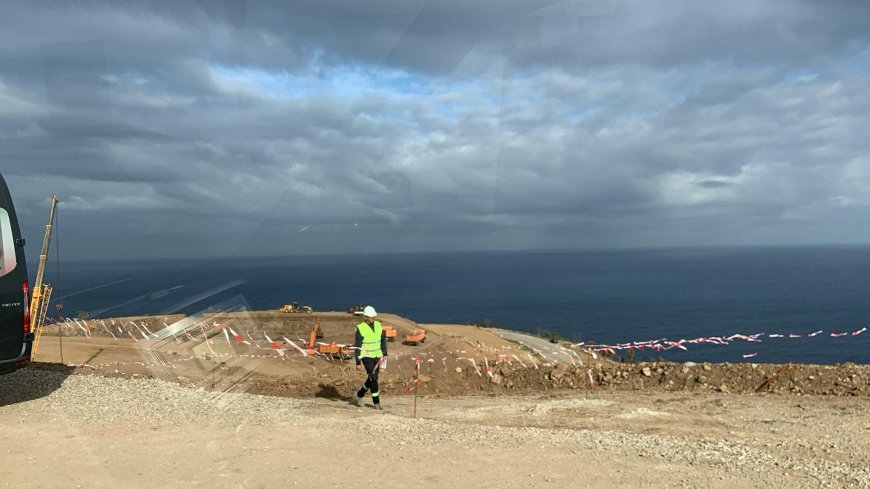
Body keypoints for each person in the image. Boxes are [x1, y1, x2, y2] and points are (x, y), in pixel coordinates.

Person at [353, 305, 387, 409]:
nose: (373, 319)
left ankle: (360, 394)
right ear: (366, 317)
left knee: (372, 378)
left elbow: (382, 340)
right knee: (374, 379)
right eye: (371, 317)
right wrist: (358, 362)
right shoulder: (360, 328)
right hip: (366, 357)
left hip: (377, 356)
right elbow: (357, 346)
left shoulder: (378, 325)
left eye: (374, 317)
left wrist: (385, 353)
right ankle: (376, 403)